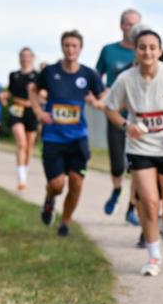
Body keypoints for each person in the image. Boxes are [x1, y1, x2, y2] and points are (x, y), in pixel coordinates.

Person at [104, 23, 163, 275]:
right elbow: (110, 108)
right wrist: (127, 126)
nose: (147, 52)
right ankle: (154, 257)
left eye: (152, 48)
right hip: (140, 148)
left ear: (159, 51)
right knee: (148, 202)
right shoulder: (126, 79)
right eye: (142, 47)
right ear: (135, 51)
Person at [29, 30, 106, 237]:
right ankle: (49, 199)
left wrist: (96, 102)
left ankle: (65, 222)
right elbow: (33, 90)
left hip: (78, 138)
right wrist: (39, 113)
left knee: (76, 182)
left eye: (74, 46)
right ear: (62, 47)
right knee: (57, 185)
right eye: (67, 45)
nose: (70, 49)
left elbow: (104, 95)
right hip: (53, 137)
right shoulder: (50, 72)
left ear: (80, 49)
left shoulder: (88, 74)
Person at [97, 8, 143, 226]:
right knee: (118, 165)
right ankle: (116, 190)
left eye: (135, 23)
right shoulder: (109, 51)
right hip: (115, 115)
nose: (131, 27)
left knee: (137, 166)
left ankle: (131, 208)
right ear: (121, 25)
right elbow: (97, 79)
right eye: (127, 23)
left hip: (139, 117)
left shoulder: (144, 51)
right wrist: (100, 96)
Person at [4, 48, 40, 191]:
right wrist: (4, 96)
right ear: (19, 58)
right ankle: (21, 178)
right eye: (22, 56)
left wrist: (41, 95)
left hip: (32, 110)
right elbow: (10, 91)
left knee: (29, 146)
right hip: (17, 109)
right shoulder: (14, 75)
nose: (25, 59)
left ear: (32, 58)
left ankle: (25, 169)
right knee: (21, 143)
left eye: (27, 56)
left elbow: (43, 92)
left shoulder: (38, 75)